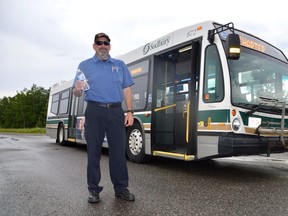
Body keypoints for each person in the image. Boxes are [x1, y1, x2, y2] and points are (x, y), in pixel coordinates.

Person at [73, 32, 135, 203]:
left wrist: (130, 111)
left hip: (116, 112)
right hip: (94, 111)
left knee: (118, 153)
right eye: (99, 43)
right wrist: (77, 89)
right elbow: (77, 93)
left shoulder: (120, 65)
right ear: (94, 46)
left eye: (106, 43)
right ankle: (94, 190)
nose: (102, 45)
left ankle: (121, 188)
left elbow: (127, 89)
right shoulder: (84, 65)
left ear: (110, 46)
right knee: (94, 152)